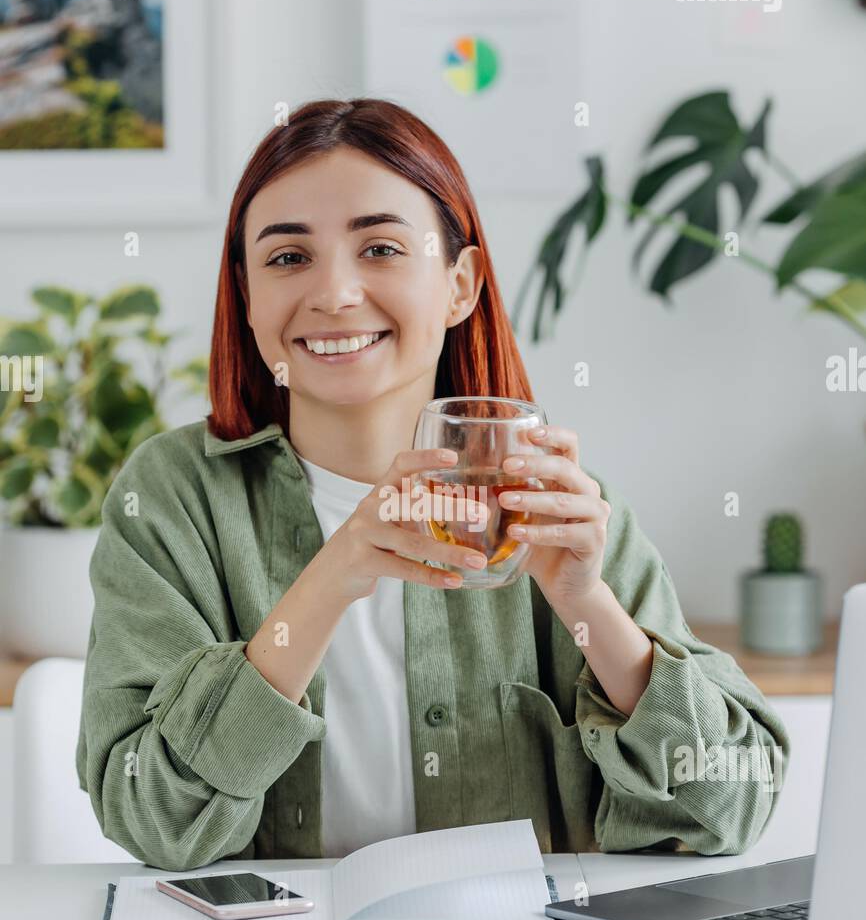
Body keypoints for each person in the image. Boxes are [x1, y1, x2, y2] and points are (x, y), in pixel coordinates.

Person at [76, 97, 790, 870]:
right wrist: (333, 575)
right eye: (288, 258)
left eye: (380, 249)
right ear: (248, 294)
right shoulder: (173, 498)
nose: (335, 294)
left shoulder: (554, 505)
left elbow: (729, 805)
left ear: (461, 284)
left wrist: (588, 605)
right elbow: (149, 817)